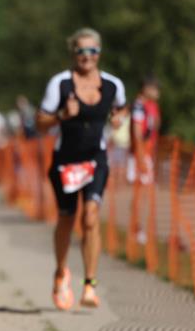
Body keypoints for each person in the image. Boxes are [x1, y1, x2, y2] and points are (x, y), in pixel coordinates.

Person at [36, 28, 127, 310]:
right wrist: (63, 115)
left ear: (99, 53)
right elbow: (40, 122)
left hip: (95, 160)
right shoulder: (60, 84)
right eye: (81, 51)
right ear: (72, 54)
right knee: (67, 217)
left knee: (90, 216)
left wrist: (117, 119)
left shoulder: (112, 85)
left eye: (92, 51)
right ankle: (61, 272)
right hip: (65, 160)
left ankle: (90, 284)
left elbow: (121, 108)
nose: (87, 57)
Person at [128, 75, 162, 245]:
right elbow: (137, 133)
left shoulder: (152, 106)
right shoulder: (139, 106)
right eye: (155, 88)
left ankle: (140, 229)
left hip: (147, 154)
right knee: (140, 195)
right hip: (140, 154)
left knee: (145, 194)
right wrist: (141, 158)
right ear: (146, 88)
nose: (158, 92)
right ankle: (137, 230)